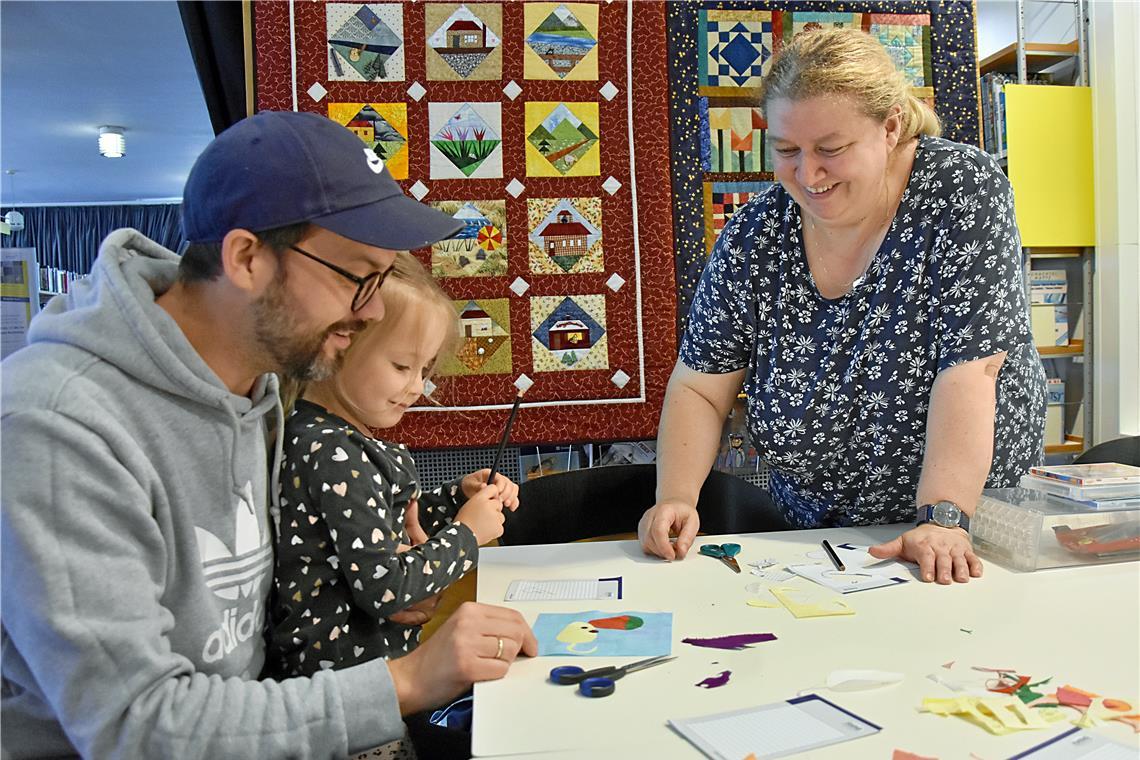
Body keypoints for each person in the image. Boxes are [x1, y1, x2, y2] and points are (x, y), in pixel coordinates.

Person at [0, 110, 536, 759]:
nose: (370, 311)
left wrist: (387, 584)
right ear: (247, 258)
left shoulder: (258, 388)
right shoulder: (57, 424)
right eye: (355, 275)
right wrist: (404, 681)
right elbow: (138, 726)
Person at [638, 28, 1046, 586]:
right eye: (786, 150)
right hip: (815, 539)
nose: (808, 175)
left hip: (961, 533)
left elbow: (971, 371)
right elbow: (700, 386)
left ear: (891, 126)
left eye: (831, 149)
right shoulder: (755, 236)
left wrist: (943, 517)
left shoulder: (960, 191)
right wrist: (676, 497)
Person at [266, 251, 521, 678]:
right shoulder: (334, 453)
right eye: (402, 366)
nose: (418, 387)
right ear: (339, 345)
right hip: (352, 691)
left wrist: (458, 497)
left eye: (424, 369)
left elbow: (381, 524)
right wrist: (469, 534)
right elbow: (388, 588)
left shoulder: (333, 439)